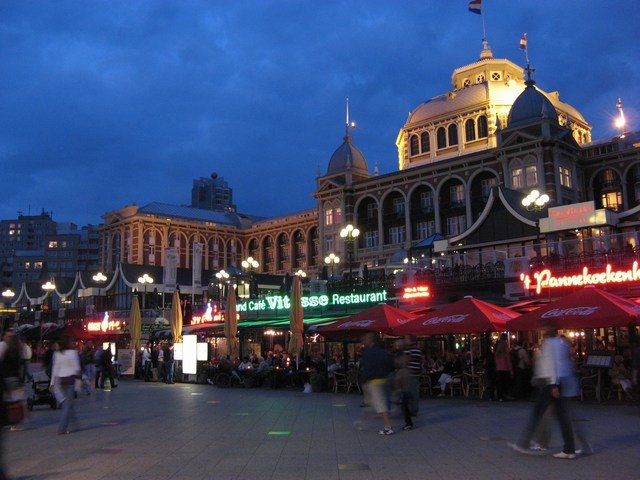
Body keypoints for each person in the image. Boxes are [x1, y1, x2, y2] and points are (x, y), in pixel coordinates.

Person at [509, 327, 585, 459]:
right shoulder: (562, 343)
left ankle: (524, 443)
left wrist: (553, 384)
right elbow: (562, 363)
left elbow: (552, 365)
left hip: (551, 384)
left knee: (538, 413)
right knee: (561, 416)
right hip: (558, 382)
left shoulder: (550, 344)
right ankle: (570, 448)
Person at [359, 332, 395, 435]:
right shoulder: (383, 351)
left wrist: (363, 380)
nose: (364, 341)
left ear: (371, 340)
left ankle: (388, 427)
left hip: (374, 381)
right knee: (375, 402)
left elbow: (367, 368)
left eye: (366, 339)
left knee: (379, 404)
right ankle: (364, 421)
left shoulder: (368, 352)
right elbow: (391, 365)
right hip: (384, 379)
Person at [49, 336, 81, 435]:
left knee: (68, 403)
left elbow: (55, 369)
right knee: (67, 405)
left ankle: (74, 422)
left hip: (61, 380)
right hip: (71, 379)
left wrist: (52, 383)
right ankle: (62, 428)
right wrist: (80, 380)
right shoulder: (73, 353)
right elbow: (77, 367)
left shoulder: (57, 354)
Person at [0, 331, 28, 432]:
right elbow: (18, 369)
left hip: (5, 378)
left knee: (9, 400)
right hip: (13, 379)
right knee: (17, 400)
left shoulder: (6, 351)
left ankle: (10, 422)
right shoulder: (15, 352)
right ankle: (15, 422)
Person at [403, 335, 424, 415]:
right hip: (416, 373)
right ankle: (414, 409)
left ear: (410, 341)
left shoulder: (408, 350)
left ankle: (411, 409)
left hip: (409, 373)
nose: (405, 341)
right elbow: (420, 362)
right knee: (415, 392)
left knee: (409, 392)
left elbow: (405, 361)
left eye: (406, 339)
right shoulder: (418, 350)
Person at [393, 353, 414, 431]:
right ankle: (409, 423)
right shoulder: (408, 370)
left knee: (405, 408)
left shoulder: (401, 372)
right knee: (405, 408)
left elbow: (398, 381)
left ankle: (408, 423)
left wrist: (397, 388)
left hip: (403, 392)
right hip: (407, 391)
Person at [494, 334, 513, 401]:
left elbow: (496, 360)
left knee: (500, 383)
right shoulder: (505, 351)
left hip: (498, 368)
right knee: (505, 383)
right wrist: (511, 370)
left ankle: (500, 396)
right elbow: (508, 361)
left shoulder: (497, 353)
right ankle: (504, 395)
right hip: (505, 368)